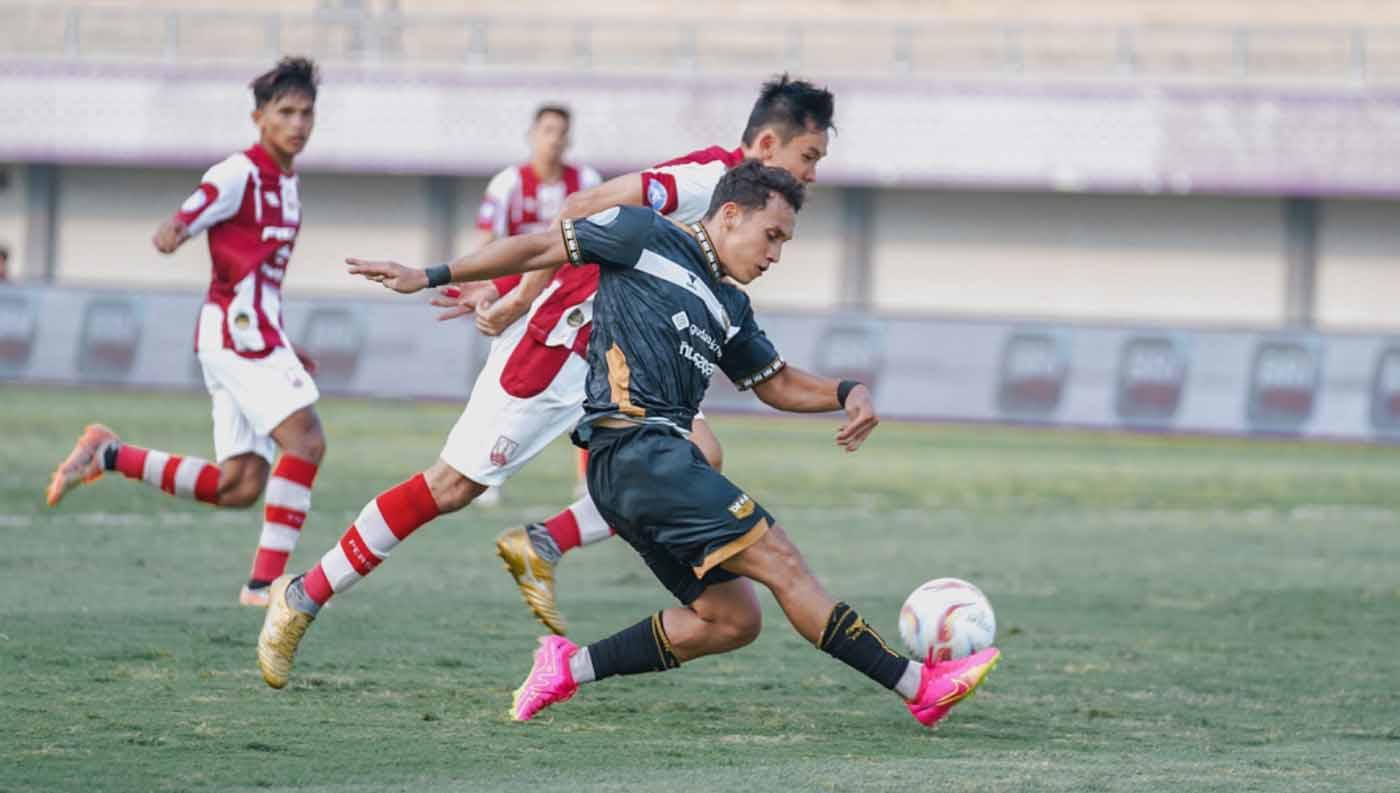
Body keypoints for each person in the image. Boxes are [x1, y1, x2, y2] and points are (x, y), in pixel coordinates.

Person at [331, 161, 1002, 728]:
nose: (774, 254)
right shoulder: (642, 234)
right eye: (771, 235)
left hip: (647, 467)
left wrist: (847, 388)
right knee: (782, 561)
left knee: (731, 618)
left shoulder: (731, 305)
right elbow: (539, 247)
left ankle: (568, 664)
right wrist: (433, 271)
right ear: (731, 213)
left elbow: (776, 382)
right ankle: (920, 688)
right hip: (637, 447)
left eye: (785, 244)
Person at [441, 74, 833, 635]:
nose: (813, 173)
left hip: (641, 340)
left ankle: (544, 543)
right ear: (769, 146)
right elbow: (584, 208)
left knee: (699, 454)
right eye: (809, 156)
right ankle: (293, 585)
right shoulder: (707, 182)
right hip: (593, 327)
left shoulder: (740, 195)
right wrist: (518, 299)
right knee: (454, 486)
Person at [44, 57, 328, 608]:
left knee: (239, 486)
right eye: (286, 112)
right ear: (259, 117)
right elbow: (188, 214)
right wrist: (175, 229)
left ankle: (109, 454)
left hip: (252, 334)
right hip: (238, 335)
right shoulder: (237, 173)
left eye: (307, 113)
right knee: (308, 441)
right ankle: (263, 586)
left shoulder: (288, 183)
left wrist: (285, 340)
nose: (298, 123)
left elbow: (260, 272)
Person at [453, 104, 602, 507]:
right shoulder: (508, 183)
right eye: (547, 130)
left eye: (561, 132)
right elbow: (487, 241)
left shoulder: (585, 182)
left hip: (568, 300)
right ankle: (484, 472)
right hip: (515, 298)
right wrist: (479, 284)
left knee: (587, 388)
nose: (554, 139)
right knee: (502, 385)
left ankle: (587, 482)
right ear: (533, 134)